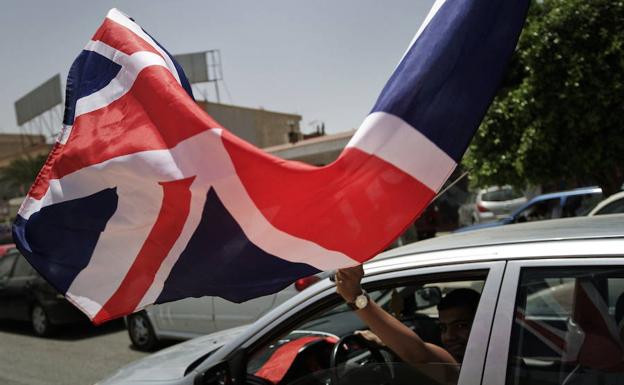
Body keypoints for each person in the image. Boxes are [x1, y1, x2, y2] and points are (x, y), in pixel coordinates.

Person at [335, 265, 480, 366]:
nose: (449, 336)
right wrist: (385, 343)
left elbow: (419, 356)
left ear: (482, 324)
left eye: (461, 326)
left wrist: (355, 296)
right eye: (443, 328)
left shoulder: (474, 368)